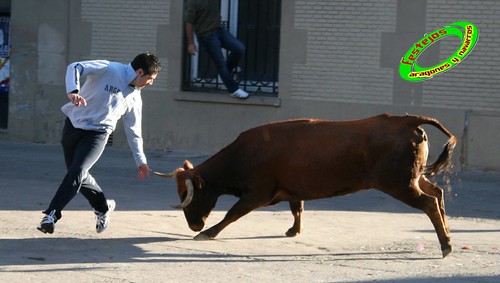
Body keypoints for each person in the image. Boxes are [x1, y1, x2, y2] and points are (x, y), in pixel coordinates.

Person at [37, 52, 161, 234]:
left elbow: (134, 131)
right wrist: (73, 91)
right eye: (150, 78)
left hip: (98, 135)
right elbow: (75, 66)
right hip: (73, 125)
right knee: (77, 174)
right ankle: (103, 207)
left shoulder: (135, 98)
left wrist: (140, 161)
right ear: (140, 72)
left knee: (77, 171)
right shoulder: (109, 68)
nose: (151, 83)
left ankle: (51, 215)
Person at [184, 0, 249, 99]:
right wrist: (190, 43)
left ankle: (226, 73)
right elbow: (189, 23)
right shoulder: (193, 2)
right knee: (221, 64)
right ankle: (233, 90)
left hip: (219, 31)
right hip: (206, 36)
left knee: (239, 48)